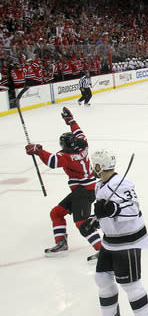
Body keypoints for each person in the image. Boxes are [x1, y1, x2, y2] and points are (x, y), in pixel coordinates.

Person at [79, 149, 148, 316]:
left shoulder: (122, 184)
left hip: (127, 241)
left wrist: (111, 209)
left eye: (93, 164)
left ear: (99, 166)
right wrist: (94, 221)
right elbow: (104, 212)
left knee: (130, 284)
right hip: (110, 240)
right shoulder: (100, 186)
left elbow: (133, 210)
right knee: (102, 279)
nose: (91, 167)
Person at [25, 107, 102, 261]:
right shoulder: (83, 144)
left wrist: (38, 150)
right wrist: (70, 121)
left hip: (83, 191)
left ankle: (103, 250)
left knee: (81, 222)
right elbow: (78, 132)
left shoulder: (67, 156)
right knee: (56, 213)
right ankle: (61, 243)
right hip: (86, 189)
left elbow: (52, 161)